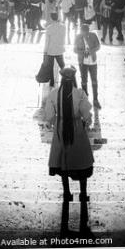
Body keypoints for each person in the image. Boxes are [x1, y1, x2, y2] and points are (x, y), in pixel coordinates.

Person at [45, 66, 94, 202]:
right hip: (77, 129)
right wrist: (87, 123)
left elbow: (49, 116)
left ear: (61, 79)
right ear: (73, 79)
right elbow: (87, 115)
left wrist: (56, 122)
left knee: (63, 161)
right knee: (80, 160)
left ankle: (67, 193)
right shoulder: (80, 94)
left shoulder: (54, 94)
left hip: (61, 130)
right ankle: (83, 194)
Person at [73, 24, 101, 109]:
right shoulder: (78, 37)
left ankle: (95, 100)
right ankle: (85, 99)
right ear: (81, 31)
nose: (84, 34)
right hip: (82, 62)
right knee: (84, 80)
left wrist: (91, 51)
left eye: (86, 32)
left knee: (94, 81)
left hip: (93, 61)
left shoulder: (93, 35)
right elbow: (74, 49)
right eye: (83, 32)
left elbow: (98, 46)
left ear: (88, 31)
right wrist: (82, 52)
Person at [43, 12, 66, 87]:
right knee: (62, 65)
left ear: (51, 18)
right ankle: (65, 78)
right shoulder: (63, 27)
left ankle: (52, 81)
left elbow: (47, 41)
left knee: (50, 66)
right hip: (59, 48)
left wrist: (45, 51)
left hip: (51, 50)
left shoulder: (49, 28)